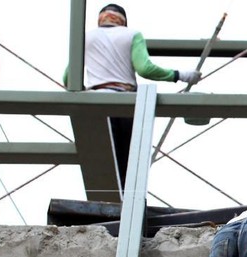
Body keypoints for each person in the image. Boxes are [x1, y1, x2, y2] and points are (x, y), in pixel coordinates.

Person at [63, 3, 201, 188]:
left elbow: (68, 78)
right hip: (124, 103)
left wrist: (82, 94)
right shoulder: (132, 35)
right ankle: (127, 200)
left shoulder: (85, 38)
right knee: (128, 162)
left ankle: (107, 197)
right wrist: (180, 75)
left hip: (94, 104)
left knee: (102, 160)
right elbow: (145, 68)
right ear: (123, 21)